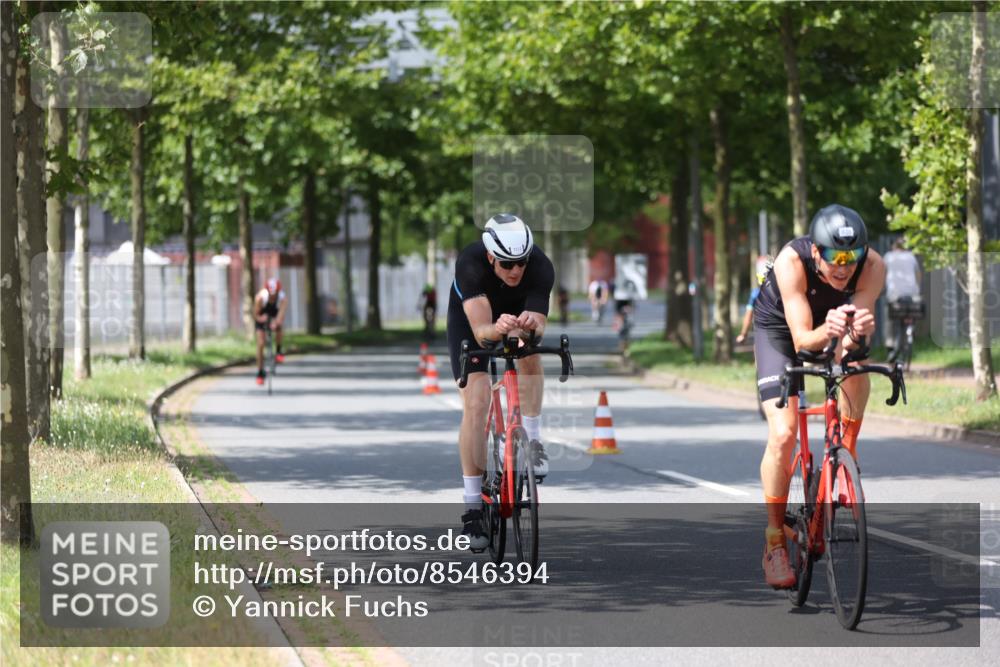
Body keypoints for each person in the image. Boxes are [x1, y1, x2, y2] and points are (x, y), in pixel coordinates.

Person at [752, 204, 885, 589]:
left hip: (833, 323)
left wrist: (857, 333)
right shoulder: (791, 262)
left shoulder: (872, 266)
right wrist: (828, 330)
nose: (843, 266)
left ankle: (846, 447)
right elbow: (803, 341)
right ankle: (775, 541)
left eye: (851, 256)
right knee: (783, 433)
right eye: (834, 257)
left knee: (857, 362)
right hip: (783, 329)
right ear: (816, 252)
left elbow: (852, 339)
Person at [447, 213, 554, 551]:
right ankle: (472, 507)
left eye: (521, 262)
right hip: (473, 323)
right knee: (477, 403)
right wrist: (498, 328)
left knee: (530, 354)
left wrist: (526, 327)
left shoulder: (540, 266)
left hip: (515, 317)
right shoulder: (470, 264)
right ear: (491, 256)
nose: (516, 270)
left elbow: (538, 323)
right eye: (507, 263)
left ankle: (533, 443)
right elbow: (482, 332)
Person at [882, 237, 922, 357]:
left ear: (894, 246)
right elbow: (918, 275)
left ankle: (890, 345)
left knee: (889, 319)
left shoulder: (888, 256)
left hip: (894, 294)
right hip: (911, 294)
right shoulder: (911, 256)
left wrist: (882, 288)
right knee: (911, 312)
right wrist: (917, 290)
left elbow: (883, 274)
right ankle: (910, 331)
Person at [253, 277, 288, 385]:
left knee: (279, 327)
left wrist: (276, 323)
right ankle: (260, 372)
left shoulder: (283, 298)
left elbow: (281, 314)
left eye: (275, 294)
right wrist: (261, 319)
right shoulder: (260, 298)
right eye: (271, 294)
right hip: (262, 313)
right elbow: (255, 315)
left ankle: (278, 350)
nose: (273, 297)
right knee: (261, 343)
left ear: (278, 292)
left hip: (274, 312)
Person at [736, 256, 773, 345]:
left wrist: (743, 334)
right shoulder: (784, 292)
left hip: (763, 334)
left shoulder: (755, 294)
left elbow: (748, 316)